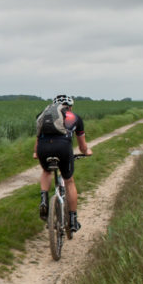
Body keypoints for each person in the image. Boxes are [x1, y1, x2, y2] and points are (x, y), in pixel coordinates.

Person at [33, 94, 92, 232]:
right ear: (70, 106)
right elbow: (82, 146)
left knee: (46, 171)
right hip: (63, 147)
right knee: (69, 180)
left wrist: (36, 153)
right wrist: (86, 151)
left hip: (43, 147)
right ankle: (72, 220)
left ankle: (44, 200)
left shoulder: (42, 116)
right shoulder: (75, 117)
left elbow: (38, 140)